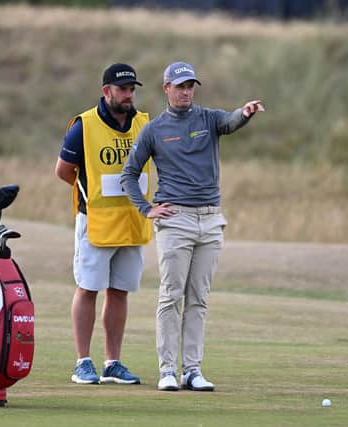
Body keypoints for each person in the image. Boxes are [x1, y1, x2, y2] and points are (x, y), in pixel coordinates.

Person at [120, 61, 264, 392]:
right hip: (175, 220)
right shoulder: (154, 130)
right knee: (171, 296)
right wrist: (146, 209)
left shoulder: (208, 118)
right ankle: (168, 369)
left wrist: (245, 112)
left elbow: (229, 123)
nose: (186, 91)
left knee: (198, 298)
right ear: (166, 88)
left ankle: (192, 370)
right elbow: (129, 173)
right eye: (180, 86)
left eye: (191, 86)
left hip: (211, 219)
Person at [55, 63, 152, 385]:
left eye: (131, 89)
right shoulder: (84, 125)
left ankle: (113, 362)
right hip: (96, 221)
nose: (128, 95)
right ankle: (83, 362)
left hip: (131, 220)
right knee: (88, 288)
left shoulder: (143, 123)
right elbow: (64, 170)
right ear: (106, 91)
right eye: (122, 89)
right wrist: (91, 194)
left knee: (120, 291)